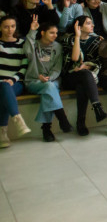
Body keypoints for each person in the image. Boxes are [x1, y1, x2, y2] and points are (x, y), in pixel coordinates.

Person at [24, 17, 72, 142]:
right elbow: (27, 52)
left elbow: (57, 68)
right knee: (49, 88)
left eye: (56, 33)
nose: (55, 35)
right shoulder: (34, 44)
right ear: (42, 33)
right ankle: (62, 119)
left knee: (49, 89)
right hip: (34, 81)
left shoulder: (58, 47)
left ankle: (47, 129)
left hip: (52, 80)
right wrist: (32, 31)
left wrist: (49, 78)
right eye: (51, 33)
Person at [61, 16, 107, 135]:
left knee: (82, 86)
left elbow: (99, 61)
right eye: (88, 23)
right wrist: (77, 37)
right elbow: (74, 58)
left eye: (92, 23)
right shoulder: (68, 40)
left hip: (88, 77)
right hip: (70, 76)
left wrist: (88, 66)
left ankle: (81, 122)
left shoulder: (97, 40)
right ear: (79, 27)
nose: (92, 25)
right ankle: (97, 108)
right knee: (84, 77)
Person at [0, 15, 32, 148]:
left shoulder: (22, 43)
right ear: (0, 28)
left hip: (16, 82)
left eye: (12, 26)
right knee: (3, 88)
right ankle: (17, 120)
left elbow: (24, 67)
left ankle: (3, 133)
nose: (10, 30)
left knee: (4, 89)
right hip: (0, 82)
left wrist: (13, 80)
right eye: (6, 27)